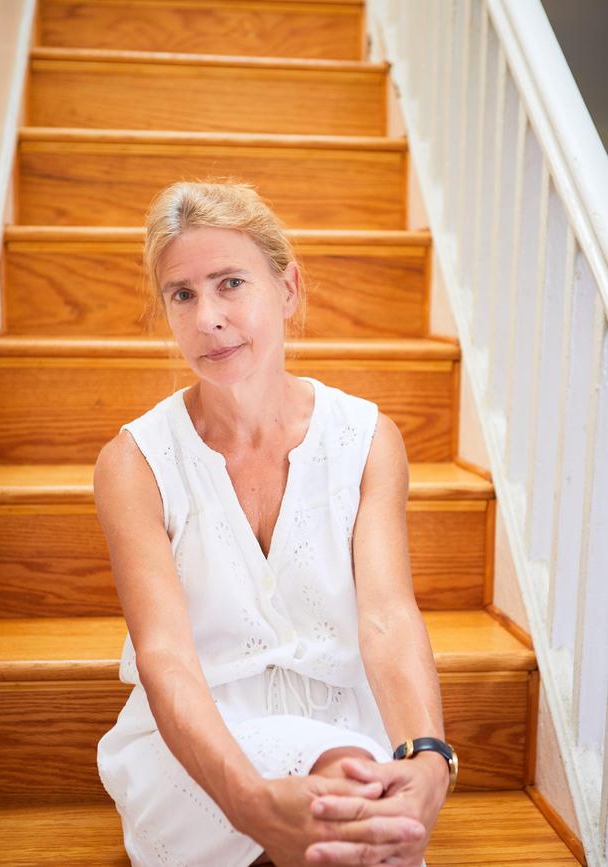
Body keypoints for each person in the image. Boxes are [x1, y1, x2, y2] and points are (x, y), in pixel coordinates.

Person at [95, 180, 454, 867]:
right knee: (343, 796)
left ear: (287, 288)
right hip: (197, 741)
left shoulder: (366, 438)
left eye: (231, 283)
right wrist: (253, 803)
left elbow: (387, 620)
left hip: (343, 720)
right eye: (183, 294)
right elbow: (166, 658)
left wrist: (430, 757)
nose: (208, 318)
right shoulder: (133, 462)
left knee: (356, 790)